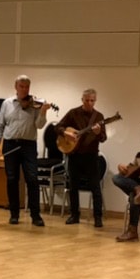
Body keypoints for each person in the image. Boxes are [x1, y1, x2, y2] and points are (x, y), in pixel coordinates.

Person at [0, 75, 47, 227]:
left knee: (32, 179)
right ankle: (14, 214)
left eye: (27, 87)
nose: (24, 89)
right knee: (12, 179)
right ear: (16, 87)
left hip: (28, 145)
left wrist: (43, 112)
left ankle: (35, 215)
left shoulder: (35, 104)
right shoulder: (7, 103)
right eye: (21, 86)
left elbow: (39, 125)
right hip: (10, 144)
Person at [57, 88, 108, 227]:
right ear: (82, 100)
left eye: (92, 101)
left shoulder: (99, 116)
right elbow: (58, 127)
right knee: (73, 186)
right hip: (75, 155)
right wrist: (66, 133)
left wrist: (98, 133)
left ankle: (98, 218)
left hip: (91, 156)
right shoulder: (73, 113)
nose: (89, 103)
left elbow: (103, 138)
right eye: (87, 100)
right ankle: (74, 215)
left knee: (95, 187)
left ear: (95, 101)